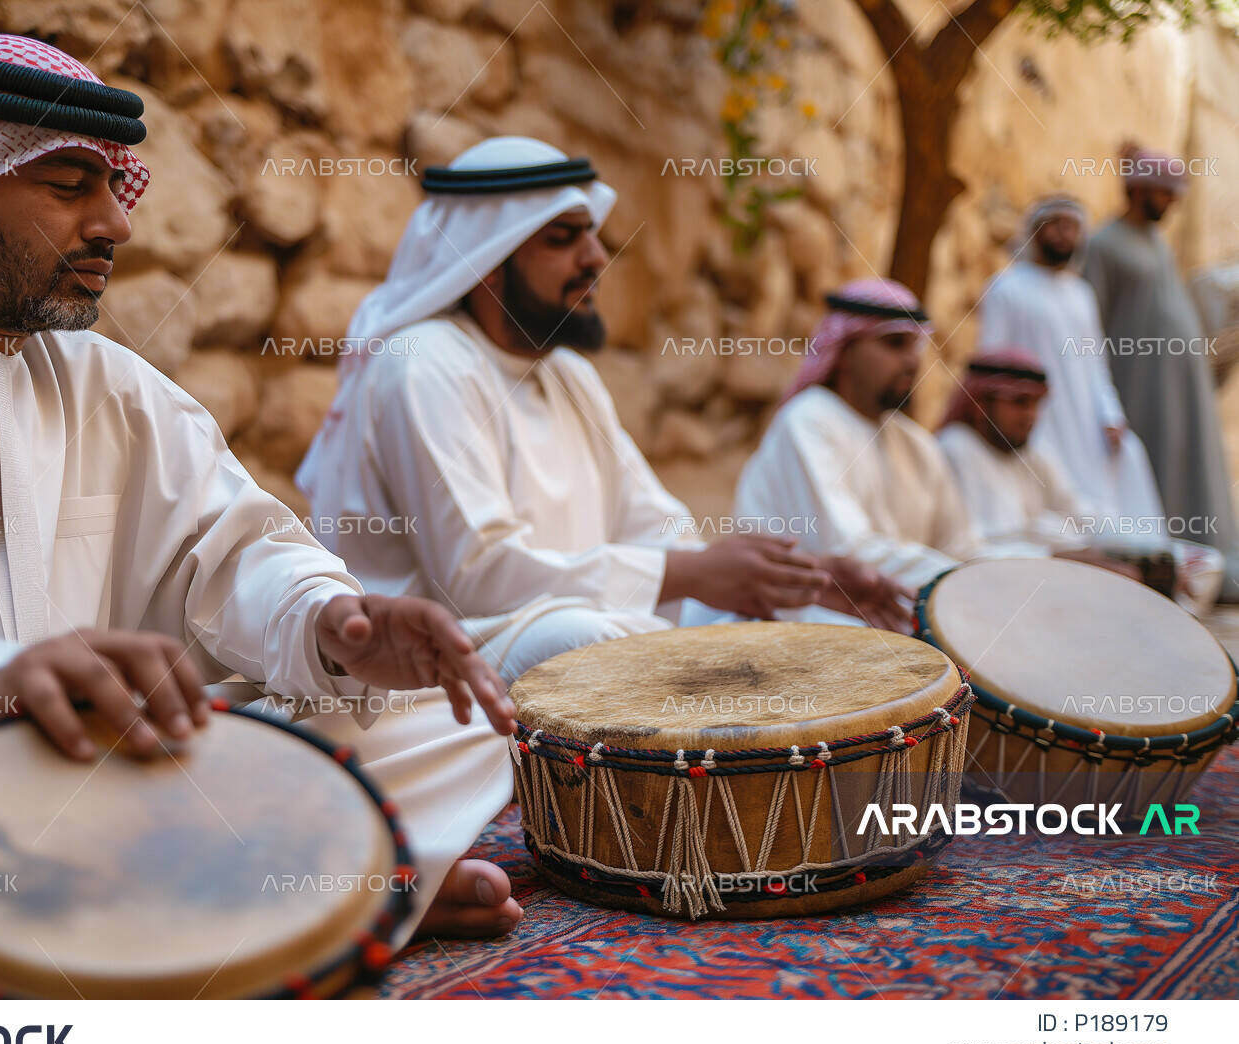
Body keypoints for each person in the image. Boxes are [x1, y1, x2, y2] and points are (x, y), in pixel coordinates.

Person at [0, 35, 520, 993]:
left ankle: (225, 901)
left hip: (110, 779)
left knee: (455, 712)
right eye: (70, 186)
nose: (115, 223)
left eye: (114, 187)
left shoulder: (106, 381)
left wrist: (335, 625)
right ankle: (298, 892)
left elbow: (233, 548)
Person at [295, 137, 907, 685]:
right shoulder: (423, 361)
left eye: (592, 236)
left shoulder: (569, 375)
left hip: (584, 620)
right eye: (562, 239)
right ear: (485, 262)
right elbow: (477, 578)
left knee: (785, 624)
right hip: (444, 657)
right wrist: (688, 574)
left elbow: (656, 527)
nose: (595, 259)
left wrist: (789, 578)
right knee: (593, 644)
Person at [735, 279, 983, 591]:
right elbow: (849, 553)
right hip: (807, 616)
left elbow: (961, 546)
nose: (911, 361)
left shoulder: (915, 442)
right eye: (894, 344)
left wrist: (1010, 571)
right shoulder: (808, 422)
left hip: (902, 607)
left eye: (914, 345)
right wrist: (965, 579)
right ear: (844, 350)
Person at [936, 349, 1222, 612]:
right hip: (1017, 577)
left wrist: (1148, 551)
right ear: (980, 402)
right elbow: (975, 552)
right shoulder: (958, 449)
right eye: (1019, 402)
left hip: (1069, 560)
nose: (1030, 416)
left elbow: (1081, 515)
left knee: (1202, 563)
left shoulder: (1033, 451)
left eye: (1036, 403)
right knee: (1115, 588)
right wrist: (1068, 558)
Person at [1082, 144, 1239, 596]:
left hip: (1180, 384)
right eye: (1163, 194)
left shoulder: (1156, 242)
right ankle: (1163, 568)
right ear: (1138, 190)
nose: (1169, 203)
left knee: (1190, 463)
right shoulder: (1104, 245)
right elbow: (1095, 320)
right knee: (1157, 465)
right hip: (1140, 384)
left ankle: (1204, 566)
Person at [975, 195, 1165, 528]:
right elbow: (992, 360)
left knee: (1106, 492)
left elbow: (1096, 363)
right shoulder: (1006, 289)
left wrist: (1111, 412)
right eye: (1056, 225)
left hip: (1084, 418)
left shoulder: (1082, 294)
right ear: (1035, 232)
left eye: (1072, 227)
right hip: (1035, 417)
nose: (1064, 234)